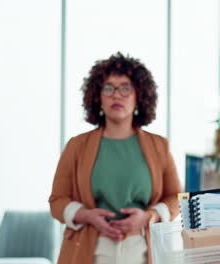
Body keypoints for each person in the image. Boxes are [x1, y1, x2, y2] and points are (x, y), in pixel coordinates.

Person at [49, 52, 182, 264]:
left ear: (139, 96)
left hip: (143, 250)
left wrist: (149, 216)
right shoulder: (76, 146)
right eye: (108, 88)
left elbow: (176, 198)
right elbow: (57, 202)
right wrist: (87, 215)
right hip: (90, 251)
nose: (116, 95)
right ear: (98, 97)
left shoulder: (159, 146)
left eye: (125, 87)